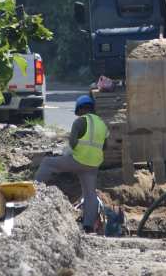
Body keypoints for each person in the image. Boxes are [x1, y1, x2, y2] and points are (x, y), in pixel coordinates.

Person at [34, 94, 108, 232]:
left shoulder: (80, 122)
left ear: (80, 109)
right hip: (93, 165)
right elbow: (105, 146)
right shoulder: (102, 124)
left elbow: (73, 144)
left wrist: (69, 152)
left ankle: (33, 191)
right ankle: (88, 227)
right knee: (90, 194)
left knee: (47, 163)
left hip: (77, 160)